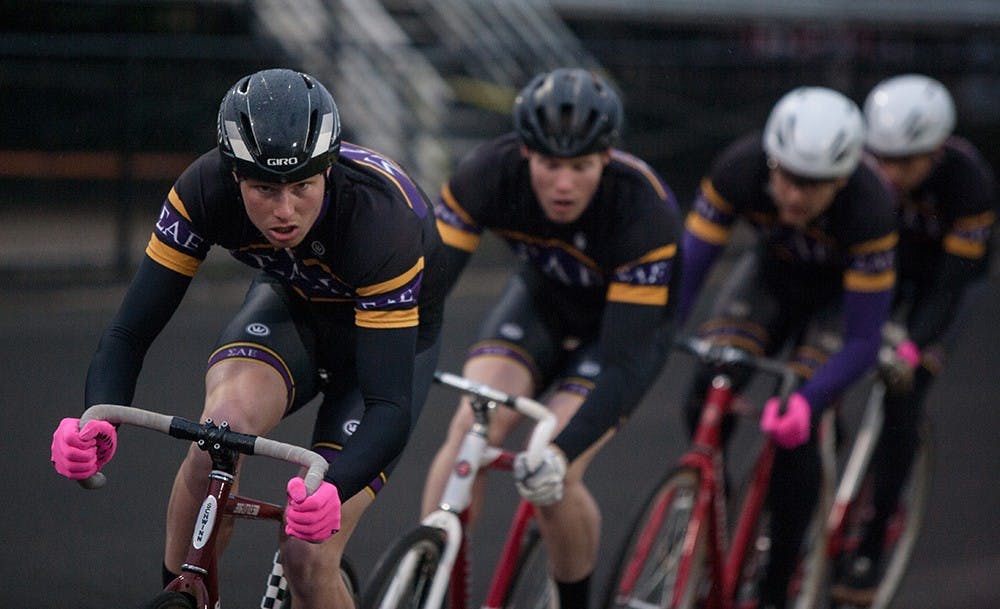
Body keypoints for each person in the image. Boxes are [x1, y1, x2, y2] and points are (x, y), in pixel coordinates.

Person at [49, 67, 447, 609]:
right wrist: (94, 415)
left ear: (328, 171)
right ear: (234, 177)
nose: (284, 212)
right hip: (295, 305)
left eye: (302, 186)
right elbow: (129, 332)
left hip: (385, 349)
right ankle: (182, 592)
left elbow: (388, 407)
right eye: (264, 189)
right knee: (219, 432)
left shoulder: (381, 223)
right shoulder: (202, 189)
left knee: (307, 556)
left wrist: (334, 487)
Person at [420, 67, 681, 609]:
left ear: (606, 159)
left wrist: (561, 453)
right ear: (523, 156)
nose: (563, 185)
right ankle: (428, 582)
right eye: (549, 165)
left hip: (615, 340)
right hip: (542, 306)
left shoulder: (643, 212)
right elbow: (422, 292)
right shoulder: (485, 175)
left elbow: (625, 367)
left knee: (550, 470)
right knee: (471, 422)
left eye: (581, 167)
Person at [675, 86, 898, 609]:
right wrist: (659, 332)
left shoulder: (871, 208)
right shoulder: (739, 169)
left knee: (795, 434)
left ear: (842, 180)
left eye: (813, 187)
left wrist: (808, 400)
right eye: (786, 178)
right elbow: (684, 279)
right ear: (770, 161)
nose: (794, 196)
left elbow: (864, 341)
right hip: (769, 281)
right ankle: (717, 510)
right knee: (704, 388)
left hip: (835, 304)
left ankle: (776, 587)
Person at [830, 74, 997, 605]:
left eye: (904, 164)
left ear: (936, 152)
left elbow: (952, 285)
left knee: (903, 393)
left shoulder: (969, 185)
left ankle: (873, 546)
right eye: (879, 159)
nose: (888, 174)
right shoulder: (862, 172)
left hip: (942, 282)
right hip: (884, 270)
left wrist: (912, 346)